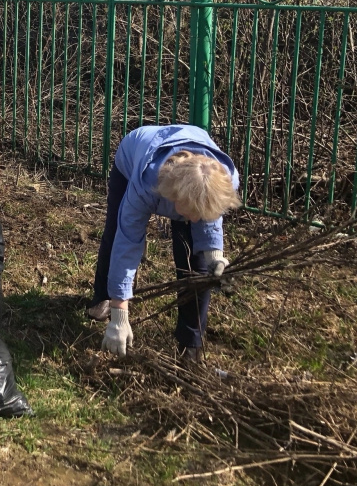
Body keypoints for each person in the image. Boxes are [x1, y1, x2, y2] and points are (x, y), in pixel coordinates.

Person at [86, 124, 241, 361]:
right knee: (116, 230)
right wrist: (120, 313)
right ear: (173, 197)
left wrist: (215, 258)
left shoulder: (223, 181)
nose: (195, 219)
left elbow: (209, 219)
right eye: (191, 212)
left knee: (194, 261)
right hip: (133, 158)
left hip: (192, 181)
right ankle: (103, 296)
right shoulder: (145, 183)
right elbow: (127, 240)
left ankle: (190, 343)